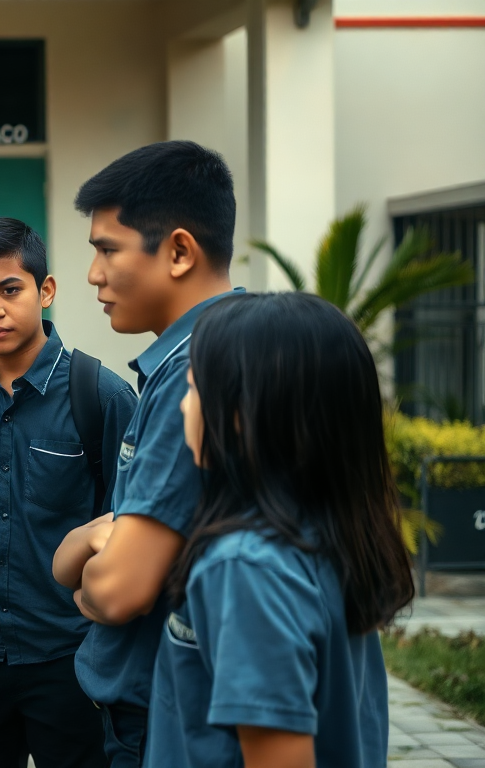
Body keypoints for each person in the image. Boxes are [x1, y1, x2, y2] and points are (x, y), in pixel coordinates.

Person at [148, 292, 414, 768]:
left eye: (192, 389)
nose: (184, 408)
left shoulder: (246, 567)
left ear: (240, 414)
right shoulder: (326, 534)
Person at [0, 217, 138, 768]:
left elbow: (131, 536)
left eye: (9, 289)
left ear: (46, 290)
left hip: (72, 658)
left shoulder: (102, 397)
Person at [51, 140, 240, 768]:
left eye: (107, 249)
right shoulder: (232, 349)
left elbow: (119, 591)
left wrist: (99, 556)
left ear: (180, 251)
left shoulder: (194, 375)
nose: (93, 274)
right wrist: (100, 540)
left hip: (163, 715)